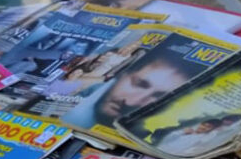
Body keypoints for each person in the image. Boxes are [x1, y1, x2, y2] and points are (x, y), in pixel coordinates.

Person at [63, 54, 202, 130]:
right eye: (139, 84)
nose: (132, 102)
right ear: (123, 73)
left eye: (159, 97)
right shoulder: (78, 88)